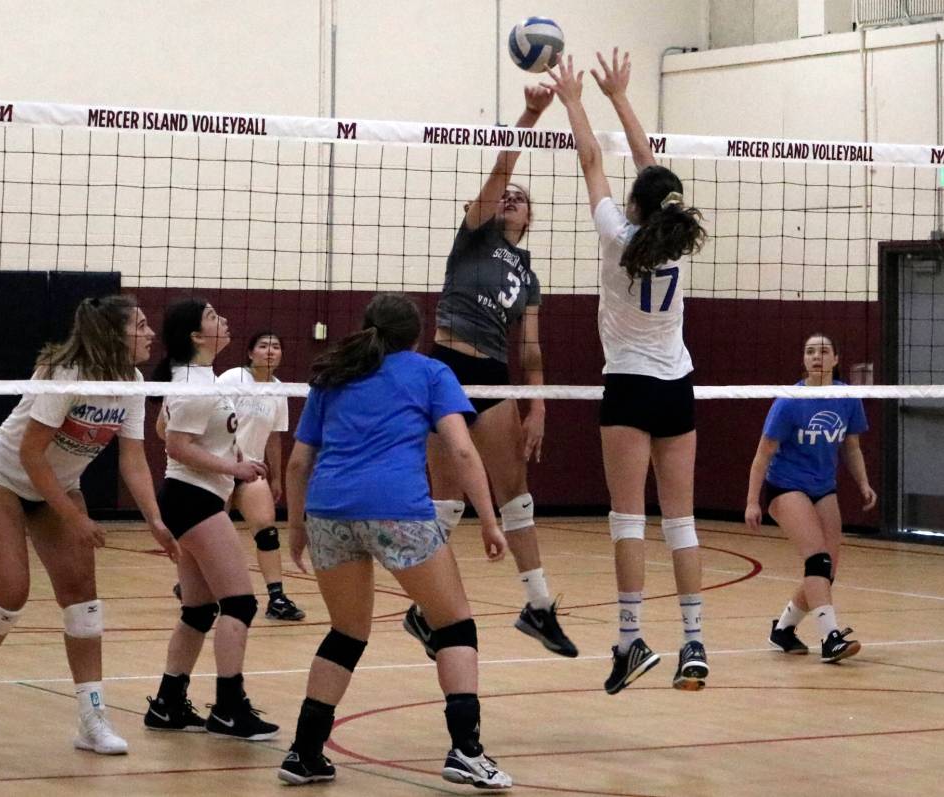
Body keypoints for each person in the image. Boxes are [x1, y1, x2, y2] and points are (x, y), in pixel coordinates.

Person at [278, 293, 512, 790]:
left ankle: (304, 753)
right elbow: (463, 453)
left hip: (328, 511)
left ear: (368, 328)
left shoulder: (333, 374)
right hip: (396, 509)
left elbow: (298, 463)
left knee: (346, 633)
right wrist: (491, 521)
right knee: (454, 627)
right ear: (416, 334)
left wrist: (296, 527)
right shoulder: (430, 374)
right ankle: (466, 752)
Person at [544, 51, 710, 693]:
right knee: (682, 522)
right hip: (677, 385)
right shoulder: (673, 241)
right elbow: (651, 169)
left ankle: (630, 638)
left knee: (626, 518)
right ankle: (693, 644)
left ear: (635, 206)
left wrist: (576, 100)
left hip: (630, 385)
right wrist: (620, 97)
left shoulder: (618, 235)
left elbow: (593, 161)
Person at [0, 295, 178, 755]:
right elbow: (30, 454)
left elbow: (132, 458)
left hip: (57, 485)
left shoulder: (131, 381)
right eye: (140, 325)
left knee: (83, 601)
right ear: (114, 334)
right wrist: (75, 516)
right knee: (11, 591)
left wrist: (155, 518)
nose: (150, 333)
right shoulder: (66, 374)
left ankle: (92, 719)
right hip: (2, 478)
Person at [404, 84, 578, 661]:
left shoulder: (528, 277)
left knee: (515, 494)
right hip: (447, 367)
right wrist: (531, 113)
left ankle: (538, 604)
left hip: (496, 376)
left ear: (529, 220)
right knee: (446, 500)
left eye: (522, 199)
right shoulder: (473, 235)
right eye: (510, 194)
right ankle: (425, 607)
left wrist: (540, 404)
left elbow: (529, 347)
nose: (513, 198)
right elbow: (504, 165)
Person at [142, 299, 279, 740]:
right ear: (196, 337)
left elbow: (167, 429)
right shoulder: (195, 384)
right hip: (192, 498)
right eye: (213, 317)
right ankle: (228, 708)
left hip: (193, 496)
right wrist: (233, 468)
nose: (224, 320)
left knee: (198, 610)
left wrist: (226, 450)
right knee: (239, 603)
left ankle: (167, 703)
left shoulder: (201, 380)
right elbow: (176, 445)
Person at [745, 333, 876, 663]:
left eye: (824, 351)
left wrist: (863, 483)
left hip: (823, 486)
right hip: (786, 486)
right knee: (816, 559)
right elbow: (762, 455)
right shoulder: (789, 401)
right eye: (809, 351)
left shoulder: (847, 396)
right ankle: (830, 638)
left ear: (835, 359)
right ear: (803, 360)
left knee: (826, 570)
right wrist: (751, 501)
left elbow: (852, 446)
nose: (816, 356)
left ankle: (784, 630)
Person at [216, 332, 304, 620]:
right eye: (264, 346)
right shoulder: (232, 379)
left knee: (266, 529)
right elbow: (212, 418)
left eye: (276, 347)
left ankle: (277, 599)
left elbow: (274, 438)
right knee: (214, 533)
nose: (270, 351)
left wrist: (276, 478)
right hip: (218, 466)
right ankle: (197, 583)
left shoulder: (279, 390)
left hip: (251, 468)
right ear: (251, 352)